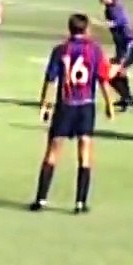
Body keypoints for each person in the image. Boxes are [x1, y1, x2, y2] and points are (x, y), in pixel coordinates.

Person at [30, 13, 115, 214]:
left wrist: (44, 104)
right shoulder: (95, 50)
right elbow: (103, 79)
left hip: (65, 105)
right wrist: (109, 103)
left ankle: (41, 199)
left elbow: (50, 80)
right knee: (85, 151)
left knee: (53, 151)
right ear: (86, 30)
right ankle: (80, 203)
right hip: (85, 106)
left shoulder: (60, 50)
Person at [98, 0, 133, 111]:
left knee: (110, 73)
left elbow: (122, 22)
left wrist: (103, 24)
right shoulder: (109, 9)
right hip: (122, 47)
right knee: (117, 73)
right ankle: (127, 98)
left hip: (129, 46)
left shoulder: (116, 9)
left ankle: (127, 98)